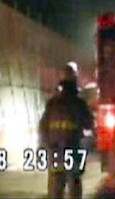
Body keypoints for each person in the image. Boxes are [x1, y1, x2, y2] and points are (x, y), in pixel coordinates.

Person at [39, 62, 94, 199]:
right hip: (73, 149)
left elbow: (43, 127)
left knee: (56, 187)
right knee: (74, 185)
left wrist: (44, 147)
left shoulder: (52, 103)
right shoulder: (79, 103)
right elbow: (89, 124)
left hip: (55, 151)